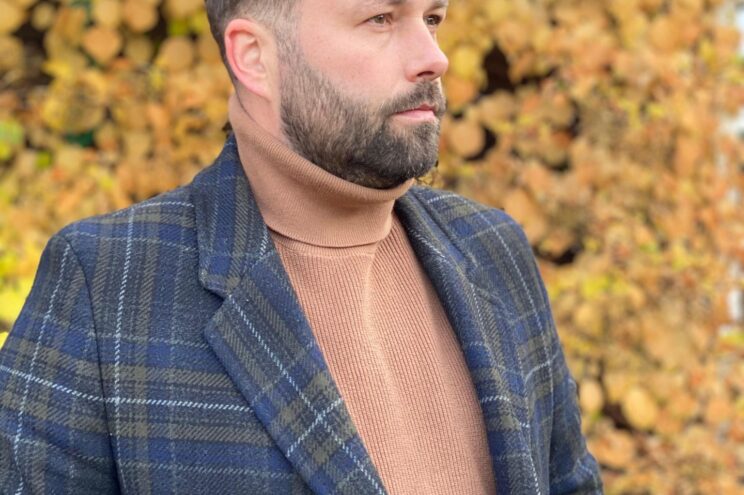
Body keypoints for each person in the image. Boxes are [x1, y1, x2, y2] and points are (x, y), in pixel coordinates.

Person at [0, 0, 603, 493]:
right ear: (254, 56)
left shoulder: (493, 249)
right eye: (381, 19)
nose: (433, 57)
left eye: (432, 18)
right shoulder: (109, 283)